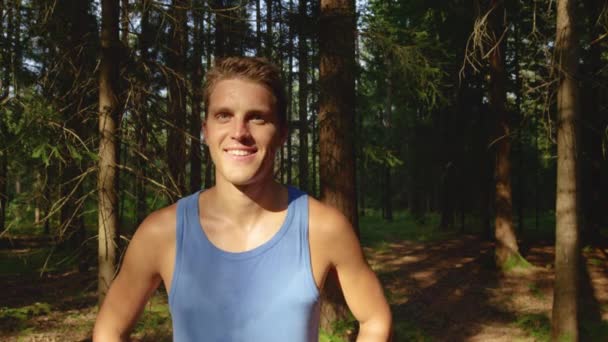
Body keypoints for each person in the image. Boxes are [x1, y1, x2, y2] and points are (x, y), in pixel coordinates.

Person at [93, 57, 391, 342]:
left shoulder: (322, 229)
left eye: (257, 118)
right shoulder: (162, 233)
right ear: (206, 130)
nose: (239, 132)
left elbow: (375, 319)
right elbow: (110, 330)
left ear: (282, 133)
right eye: (224, 115)